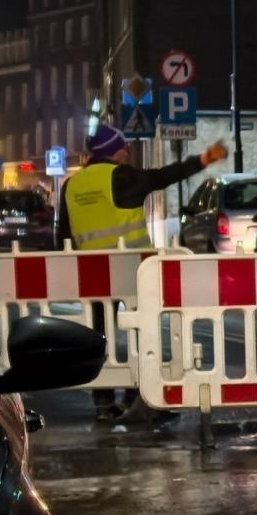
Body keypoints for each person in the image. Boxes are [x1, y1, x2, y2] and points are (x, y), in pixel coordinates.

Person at [60, 122, 228, 421]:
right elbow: (164, 176)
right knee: (143, 333)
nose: (126, 152)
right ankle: (140, 396)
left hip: (92, 272)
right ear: (116, 151)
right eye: (123, 147)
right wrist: (204, 159)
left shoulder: (71, 185)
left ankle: (103, 400)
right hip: (132, 270)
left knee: (100, 336)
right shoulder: (121, 176)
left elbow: (62, 235)